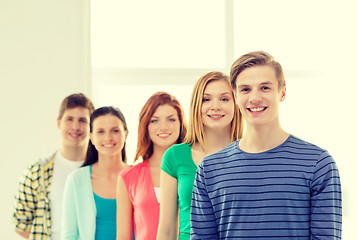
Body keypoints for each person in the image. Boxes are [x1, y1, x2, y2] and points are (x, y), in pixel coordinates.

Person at [191, 51, 342, 239]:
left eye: (265, 88)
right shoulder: (209, 169)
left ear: (283, 92)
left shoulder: (318, 163)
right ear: (235, 96)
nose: (254, 98)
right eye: (245, 89)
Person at [156, 72, 244, 240]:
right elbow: (166, 230)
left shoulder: (251, 153)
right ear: (196, 105)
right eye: (206, 99)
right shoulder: (175, 156)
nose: (216, 106)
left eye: (224, 99)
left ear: (236, 104)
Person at [12, 93, 94, 240]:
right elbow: (21, 224)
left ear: (91, 127)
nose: (75, 127)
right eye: (69, 119)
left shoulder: (100, 170)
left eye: (82, 120)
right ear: (59, 122)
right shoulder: (36, 172)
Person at [116, 92, 187, 240]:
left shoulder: (195, 170)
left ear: (181, 124)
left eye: (171, 119)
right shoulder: (128, 177)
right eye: (154, 121)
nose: (163, 127)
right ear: (146, 126)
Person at [61, 106, 129, 240]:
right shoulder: (77, 180)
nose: (108, 138)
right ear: (91, 137)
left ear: (126, 134)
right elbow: (69, 235)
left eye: (115, 130)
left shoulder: (138, 176)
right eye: (100, 131)